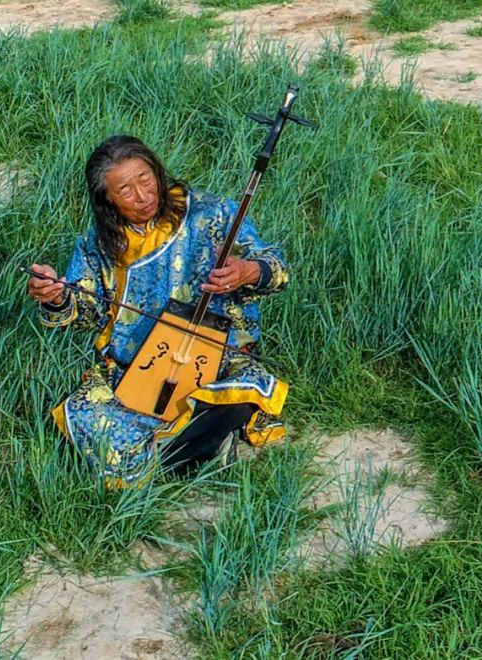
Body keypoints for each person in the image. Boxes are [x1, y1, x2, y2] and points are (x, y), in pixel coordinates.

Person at [27, 135, 288, 486]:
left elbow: (274, 266)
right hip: (135, 366)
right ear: (107, 200)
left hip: (216, 356)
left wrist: (249, 271)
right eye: (125, 190)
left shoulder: (213, 213)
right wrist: (55, 296)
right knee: (84, 412)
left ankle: (176, 453)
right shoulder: (99, 245)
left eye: (145, 180)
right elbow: (85, 311)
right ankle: (198, 448)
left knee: (246, 386)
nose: (143, 196)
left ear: (157, 172)